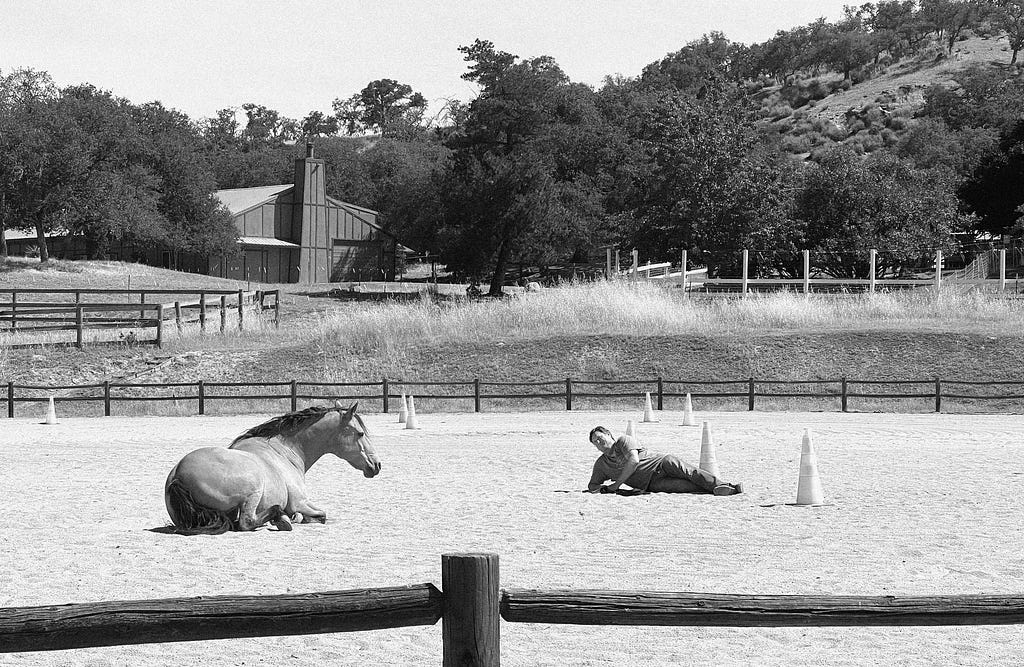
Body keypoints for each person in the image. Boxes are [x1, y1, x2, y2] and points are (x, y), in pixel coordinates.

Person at [586, 426, 743, 495]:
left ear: (609, 435)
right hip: (650, 484)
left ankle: (725, 486)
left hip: (660, 463)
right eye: (595, 442)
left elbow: (633, 461)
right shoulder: (602, 464)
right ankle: (720, 491)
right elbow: (592, 485)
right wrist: (602, 489)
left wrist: (615, 485)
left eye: (600, 438)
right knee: (685, 487)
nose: (599, 443)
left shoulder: (623, 441)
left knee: (691, 472)